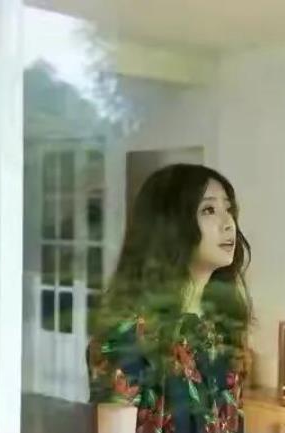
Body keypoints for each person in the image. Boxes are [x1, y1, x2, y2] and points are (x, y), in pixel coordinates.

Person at [87, 164, 252, 433]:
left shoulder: (223, 325)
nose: (228, 223)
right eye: (209, 210)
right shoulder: (127, 334)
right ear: (171, 225)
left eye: (229, 209)